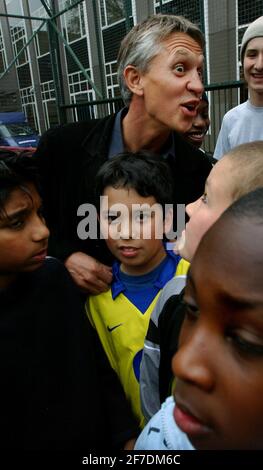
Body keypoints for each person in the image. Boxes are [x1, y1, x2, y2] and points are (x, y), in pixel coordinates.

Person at [34, 14, 212, 295]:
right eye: (180, 68)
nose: (198, 86)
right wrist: (63, 255)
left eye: (199, 72)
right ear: (135, 79)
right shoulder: (61, 148)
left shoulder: (203, 175)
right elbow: (26, 222)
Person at [0, 151, 139, 449]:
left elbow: (98, 369)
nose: (42, 232)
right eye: (16, 223)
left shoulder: (54, 279)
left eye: (40, 213)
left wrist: (126, 437)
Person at [140, 140, 263, 422]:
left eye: (206, 198)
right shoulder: (173, 295)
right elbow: (152, 387)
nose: (190, 207)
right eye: (194, 311)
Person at [86, 151, 186, 428]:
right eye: (112, 218)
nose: (125, 232)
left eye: (141, 217)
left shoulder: (193, 280)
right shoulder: (97, 299)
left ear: (167, 220)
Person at [214, 16, 263, 160]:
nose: (259, 65)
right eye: (252, 55)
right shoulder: (231, 120)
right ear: (243, 61)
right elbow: (221, 175)